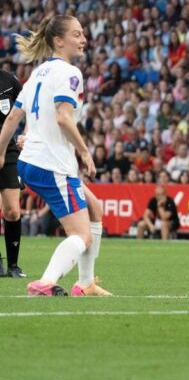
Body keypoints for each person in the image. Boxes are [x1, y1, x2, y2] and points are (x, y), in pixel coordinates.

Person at [0, 15, 110, 296]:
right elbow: (63, 117)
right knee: (81, 235)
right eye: (76, 34)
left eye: (83, 33)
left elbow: (13, 117)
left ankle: (86, 284)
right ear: (58, 41)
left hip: (31, 162)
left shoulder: (39, 72)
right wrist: (85, 152)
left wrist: (1, 153)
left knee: (95, 207)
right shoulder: (71, 73)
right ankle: (45, 283)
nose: (83, 39)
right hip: (53, 164)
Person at [0, 68, 25, 277]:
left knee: (13, 211)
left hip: (7, 150)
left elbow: (29, 109)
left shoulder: (10, 81)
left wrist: (27, 134)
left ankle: (13, 265)